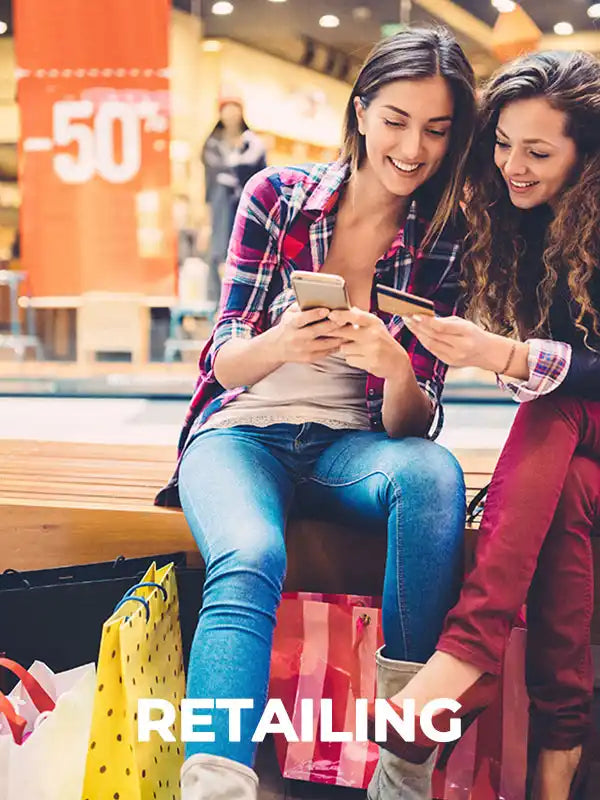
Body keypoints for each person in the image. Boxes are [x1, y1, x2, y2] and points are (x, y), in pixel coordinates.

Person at [156, 27, 477, 800]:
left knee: (434, 475)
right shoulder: (277, 198)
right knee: (250, 553)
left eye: (437, 130)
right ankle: (217, 786)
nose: (413, 147)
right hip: (241, 437)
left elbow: (411, 427)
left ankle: (403, 770)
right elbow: (223, 360)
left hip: (350, 450)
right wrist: (281, 342)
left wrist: (397, 366)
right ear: (361, 112)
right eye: (397, 119)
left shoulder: (449, 240)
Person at [380, 50, 600, 800]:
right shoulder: (525, 220)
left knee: (556, 404)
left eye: (538, 152)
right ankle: (556, 764)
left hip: (578, 415)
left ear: (588, 151)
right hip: (583, 453)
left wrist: (506, 353)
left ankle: (467, 655)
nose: (513, 166)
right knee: (565, 492)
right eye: (503, 144)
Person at [201, 97, 267, 303]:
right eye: (226, 109)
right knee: (218, 255)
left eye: (234, 109)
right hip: (220, 211)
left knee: (247, 254)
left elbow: (262, 180)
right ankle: (217, 306)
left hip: (248, 209)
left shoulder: (254, 145)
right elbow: (209, 184)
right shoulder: (211, 146)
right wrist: (204, 219)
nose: (230, 114)